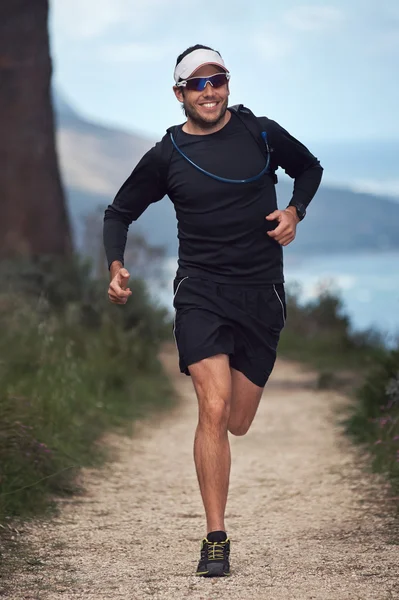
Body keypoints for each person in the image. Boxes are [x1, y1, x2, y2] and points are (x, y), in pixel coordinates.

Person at [103, 44, 323, 578]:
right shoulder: (167, 155)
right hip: (200, 290)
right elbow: (119, 211)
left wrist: (295, 210)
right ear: (179, 93)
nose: (209, 91)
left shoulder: (261, 133)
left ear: (227, 84)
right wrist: (115, 265)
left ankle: (218, 515)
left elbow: (309, 169)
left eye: (216, 80)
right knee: (213, 407)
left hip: (261, 291)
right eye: (197, 84)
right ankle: (216, 537)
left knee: (239, 421)